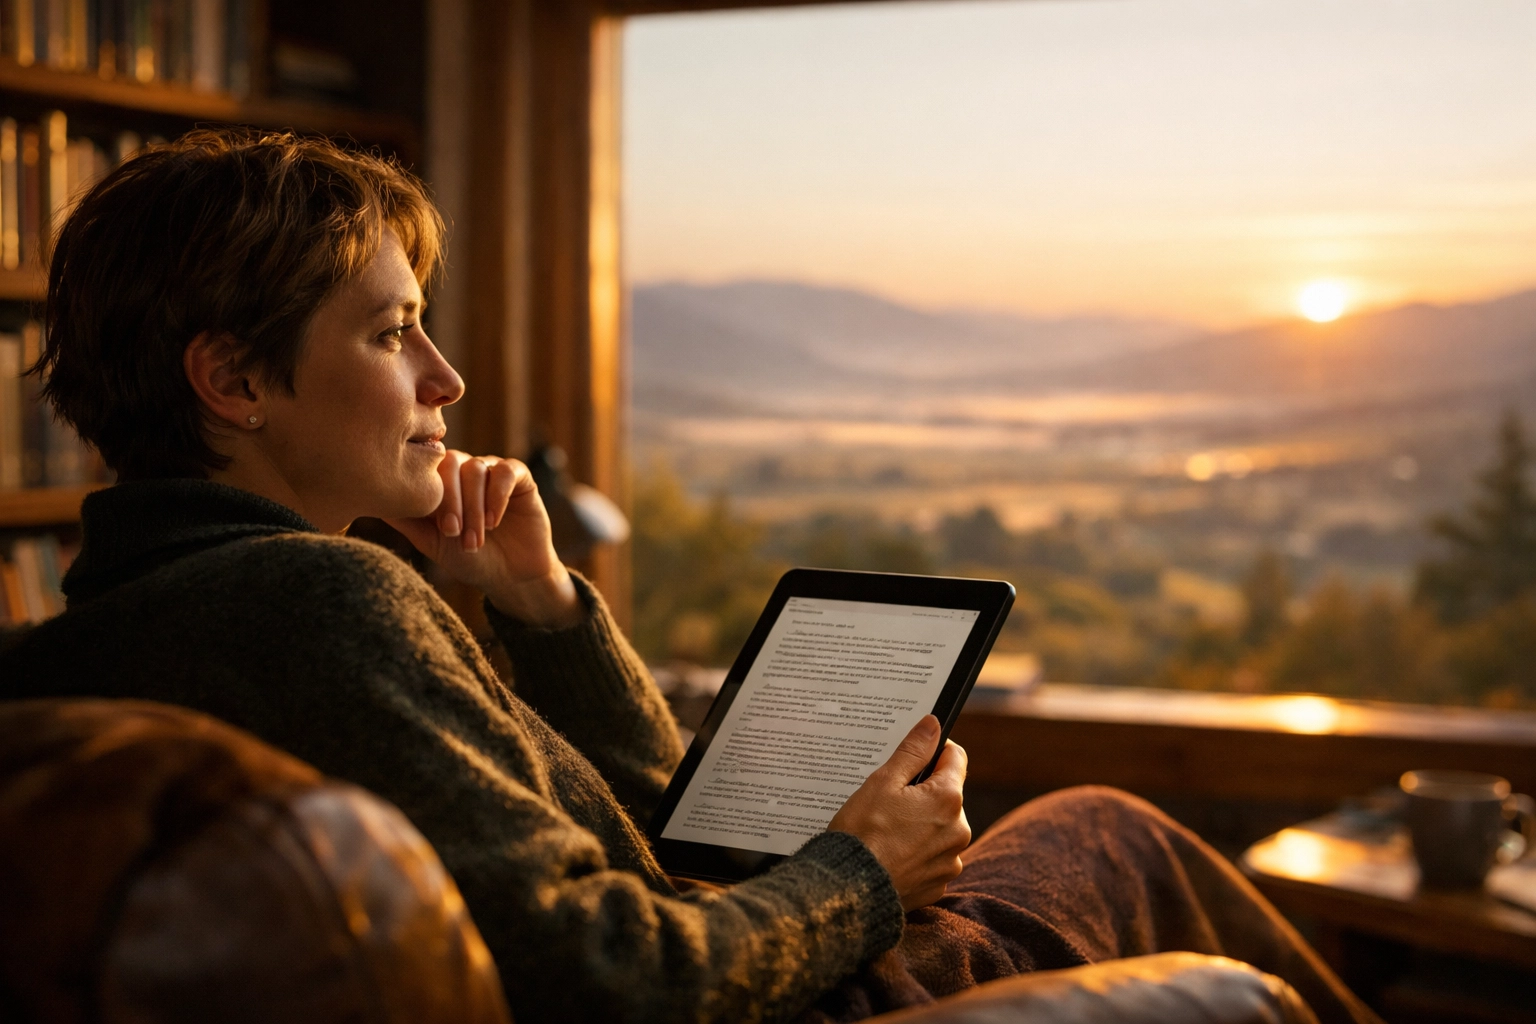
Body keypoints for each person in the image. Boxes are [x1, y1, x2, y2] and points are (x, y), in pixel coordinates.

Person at [0, 130, 1380, 1024]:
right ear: (234, 380)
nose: (446, 379)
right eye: (394, 334)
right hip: (791, 999)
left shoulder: (88, 642)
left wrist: (540, 610)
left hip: (755, 946)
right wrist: (866, 868)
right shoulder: (321, 604)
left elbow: (645, 844)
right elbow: (615, 973)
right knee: (1112, 829)